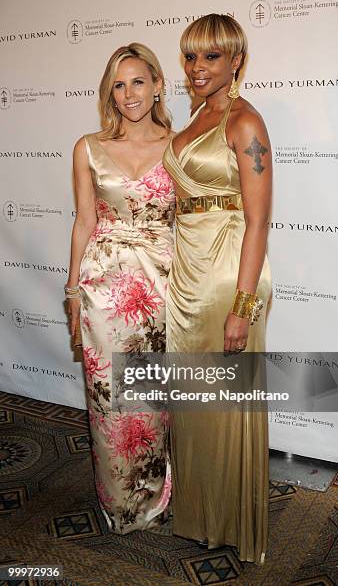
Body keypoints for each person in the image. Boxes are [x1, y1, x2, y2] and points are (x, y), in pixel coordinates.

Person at [163, 14, 272, 564]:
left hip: (229, 274)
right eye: (189, 56)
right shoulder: (198, 114)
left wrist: (243, 308)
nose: (197, 68)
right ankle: (201, 514)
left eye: (210, 56)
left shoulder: (245, 121)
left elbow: (258, 221)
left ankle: (229, 522)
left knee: (227, 405)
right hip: (189, 271)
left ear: (236, 61)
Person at [65, 43, 175, 533]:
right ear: (109, 93)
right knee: (110, 402)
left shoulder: (180, 145)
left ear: (157, 85)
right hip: (103, 288)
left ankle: (154, 493)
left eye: (137, 82)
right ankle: (120, 503)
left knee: (152, 397)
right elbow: (84, 220)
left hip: (162, 285)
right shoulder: (88, 147)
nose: (128, 94)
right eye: (118, 84)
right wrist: (72, 291)